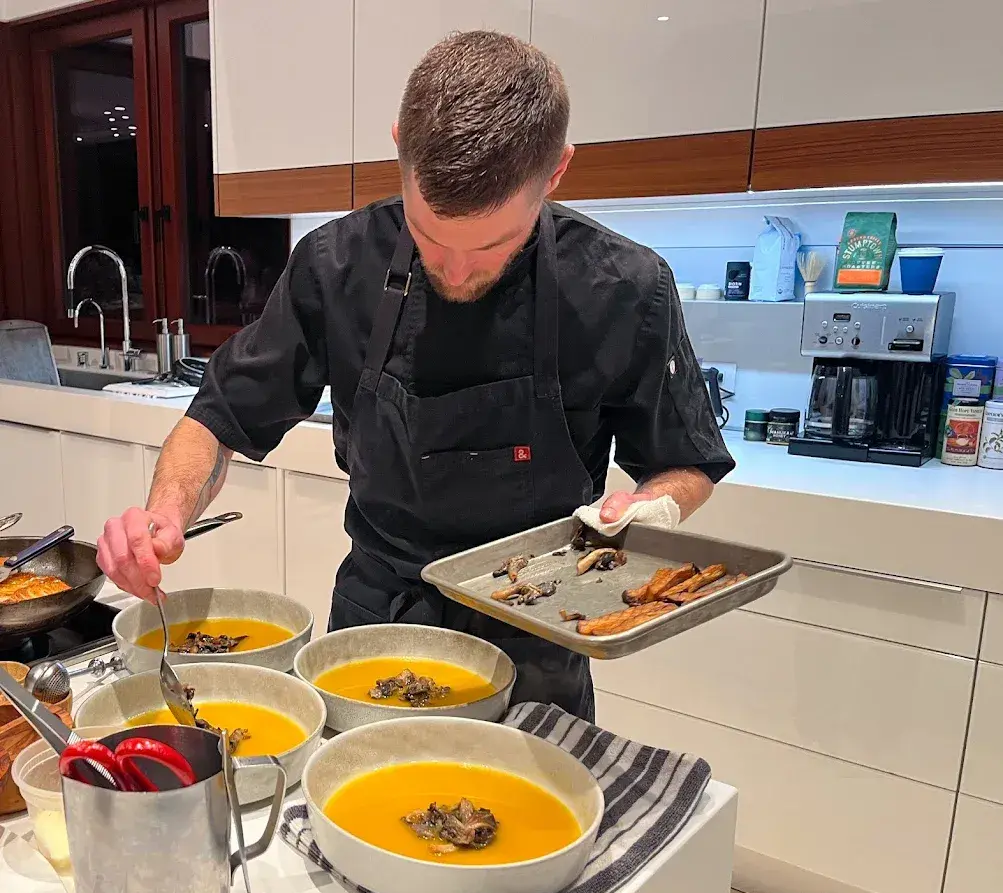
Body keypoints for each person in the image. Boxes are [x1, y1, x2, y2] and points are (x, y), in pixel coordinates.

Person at [97, 30, 734, 723]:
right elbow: (218, 421)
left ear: (556, 172)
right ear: (400, 145)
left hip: (540, 631)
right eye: (430, 237)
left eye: (491, 246)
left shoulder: (624, 286)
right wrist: (165, 515)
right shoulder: (334, 265)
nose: (455, 272)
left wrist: (652, 508)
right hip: (376, 620)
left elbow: (684, 462)